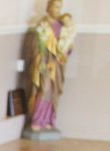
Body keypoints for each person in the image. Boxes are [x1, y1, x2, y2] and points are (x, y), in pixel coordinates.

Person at [26, 0, 77, 132]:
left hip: (57, 64)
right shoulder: (43, 24)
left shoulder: (62, 25)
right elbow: (35, 45)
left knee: (53, 91)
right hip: (44, 63)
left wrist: (67, 49)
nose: (58, 10)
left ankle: (48, 119)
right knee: (44, 89)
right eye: (55, 7)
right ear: (49, 7)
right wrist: (41, 60)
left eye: (60, 8)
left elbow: (66, 43)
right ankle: (37, 119)